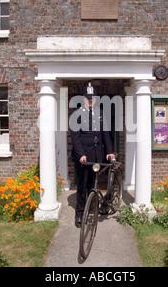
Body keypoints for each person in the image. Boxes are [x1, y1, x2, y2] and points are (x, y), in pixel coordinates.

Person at [70, 82, 115, 227]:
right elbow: (75, 137)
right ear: (84, 99)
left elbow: (106, 134)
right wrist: (81, 154)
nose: (90, 100)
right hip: (84, 157)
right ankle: (80, 214)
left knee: (93, 184)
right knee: (82, 186)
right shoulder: (77, 115)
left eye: (92, 98)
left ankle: (91, 208)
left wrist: (109, 151)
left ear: (95, 99)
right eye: (88, 98)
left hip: (96, 156)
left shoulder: (101, 114)